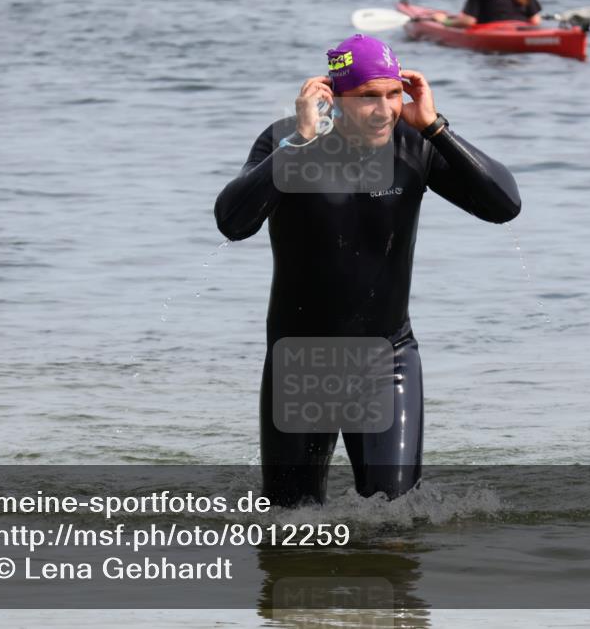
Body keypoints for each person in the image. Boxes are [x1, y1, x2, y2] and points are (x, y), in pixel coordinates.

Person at [214, 34, 520, 507]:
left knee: (394, 519)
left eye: (393, 94)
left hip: (387, 359)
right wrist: (299, 142)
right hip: (300, 362)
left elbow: (504, 206)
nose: (385, 110)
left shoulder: (413, 145)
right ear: (332, 97)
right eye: (367, 98)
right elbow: (234, 223)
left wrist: (436, 127)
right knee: (289, 524)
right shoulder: (285, 141)